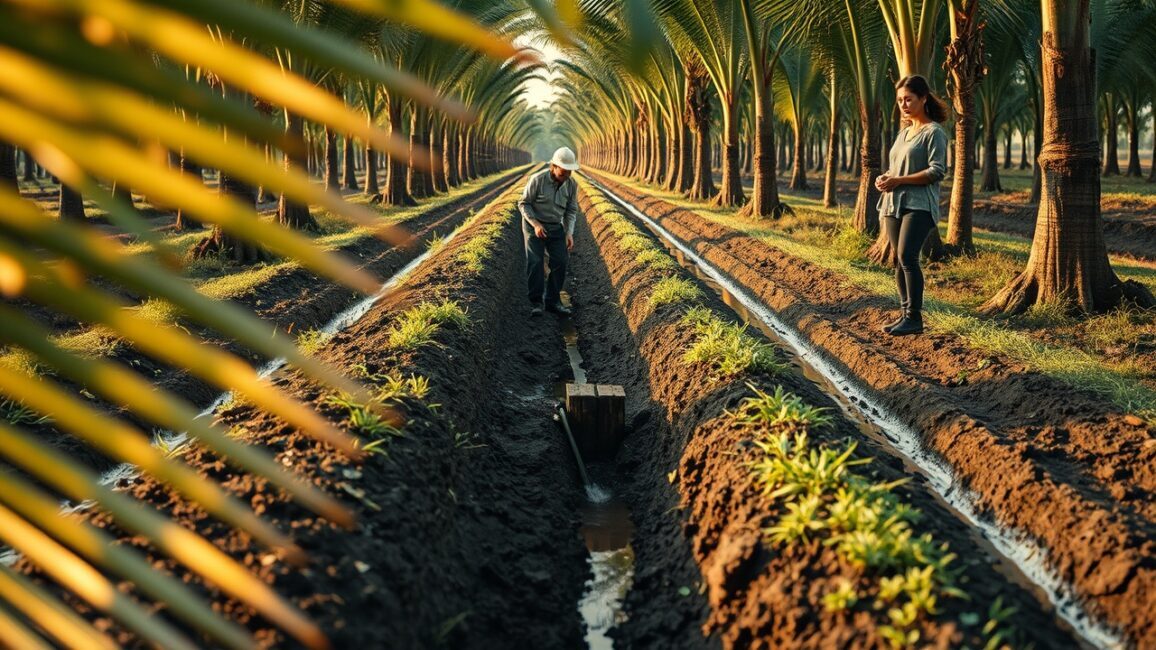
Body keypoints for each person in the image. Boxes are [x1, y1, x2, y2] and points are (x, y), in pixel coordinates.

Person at [875, 75, 949, 336]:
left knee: (908, 256)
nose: (903, 105)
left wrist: (898, 180)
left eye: (908, 99)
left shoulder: (934, 133)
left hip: (919, 205)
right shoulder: (904, 133)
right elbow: (896, 167)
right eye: (899, 100)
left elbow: (937, 171)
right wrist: (885, 177)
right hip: (894, 204)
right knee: (899, 260)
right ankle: (905, 315)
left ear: (923, 98)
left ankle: (914, 318)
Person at [519, 146, 579, 317]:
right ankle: (537, 302)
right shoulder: (537, 180)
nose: (566, 176)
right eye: (563, 172)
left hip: (555, 226)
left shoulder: (571, 185)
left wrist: (569, 233)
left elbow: (571, 211)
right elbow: (523, 203)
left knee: (561, 261)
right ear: (553, 166)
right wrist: (536, 224)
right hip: (534, 225)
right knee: (536, 262)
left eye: (570, 172)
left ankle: (553, 301)